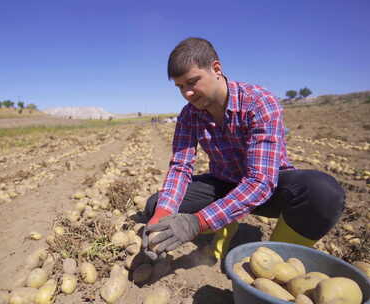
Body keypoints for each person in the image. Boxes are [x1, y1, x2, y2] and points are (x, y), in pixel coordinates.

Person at [142, 37, 345, 261]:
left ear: (216, 69)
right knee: (156, 207)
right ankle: (225, 223)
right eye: (180, 87)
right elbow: (180, 166)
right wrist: (162, 214)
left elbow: (259, 181)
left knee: (323, 193)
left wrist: (197, 223)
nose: (187, 93)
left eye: (192, 82)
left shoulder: (259, 102)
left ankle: (275, 256)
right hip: (224, 183)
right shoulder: (189, 114)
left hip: (269, 188)